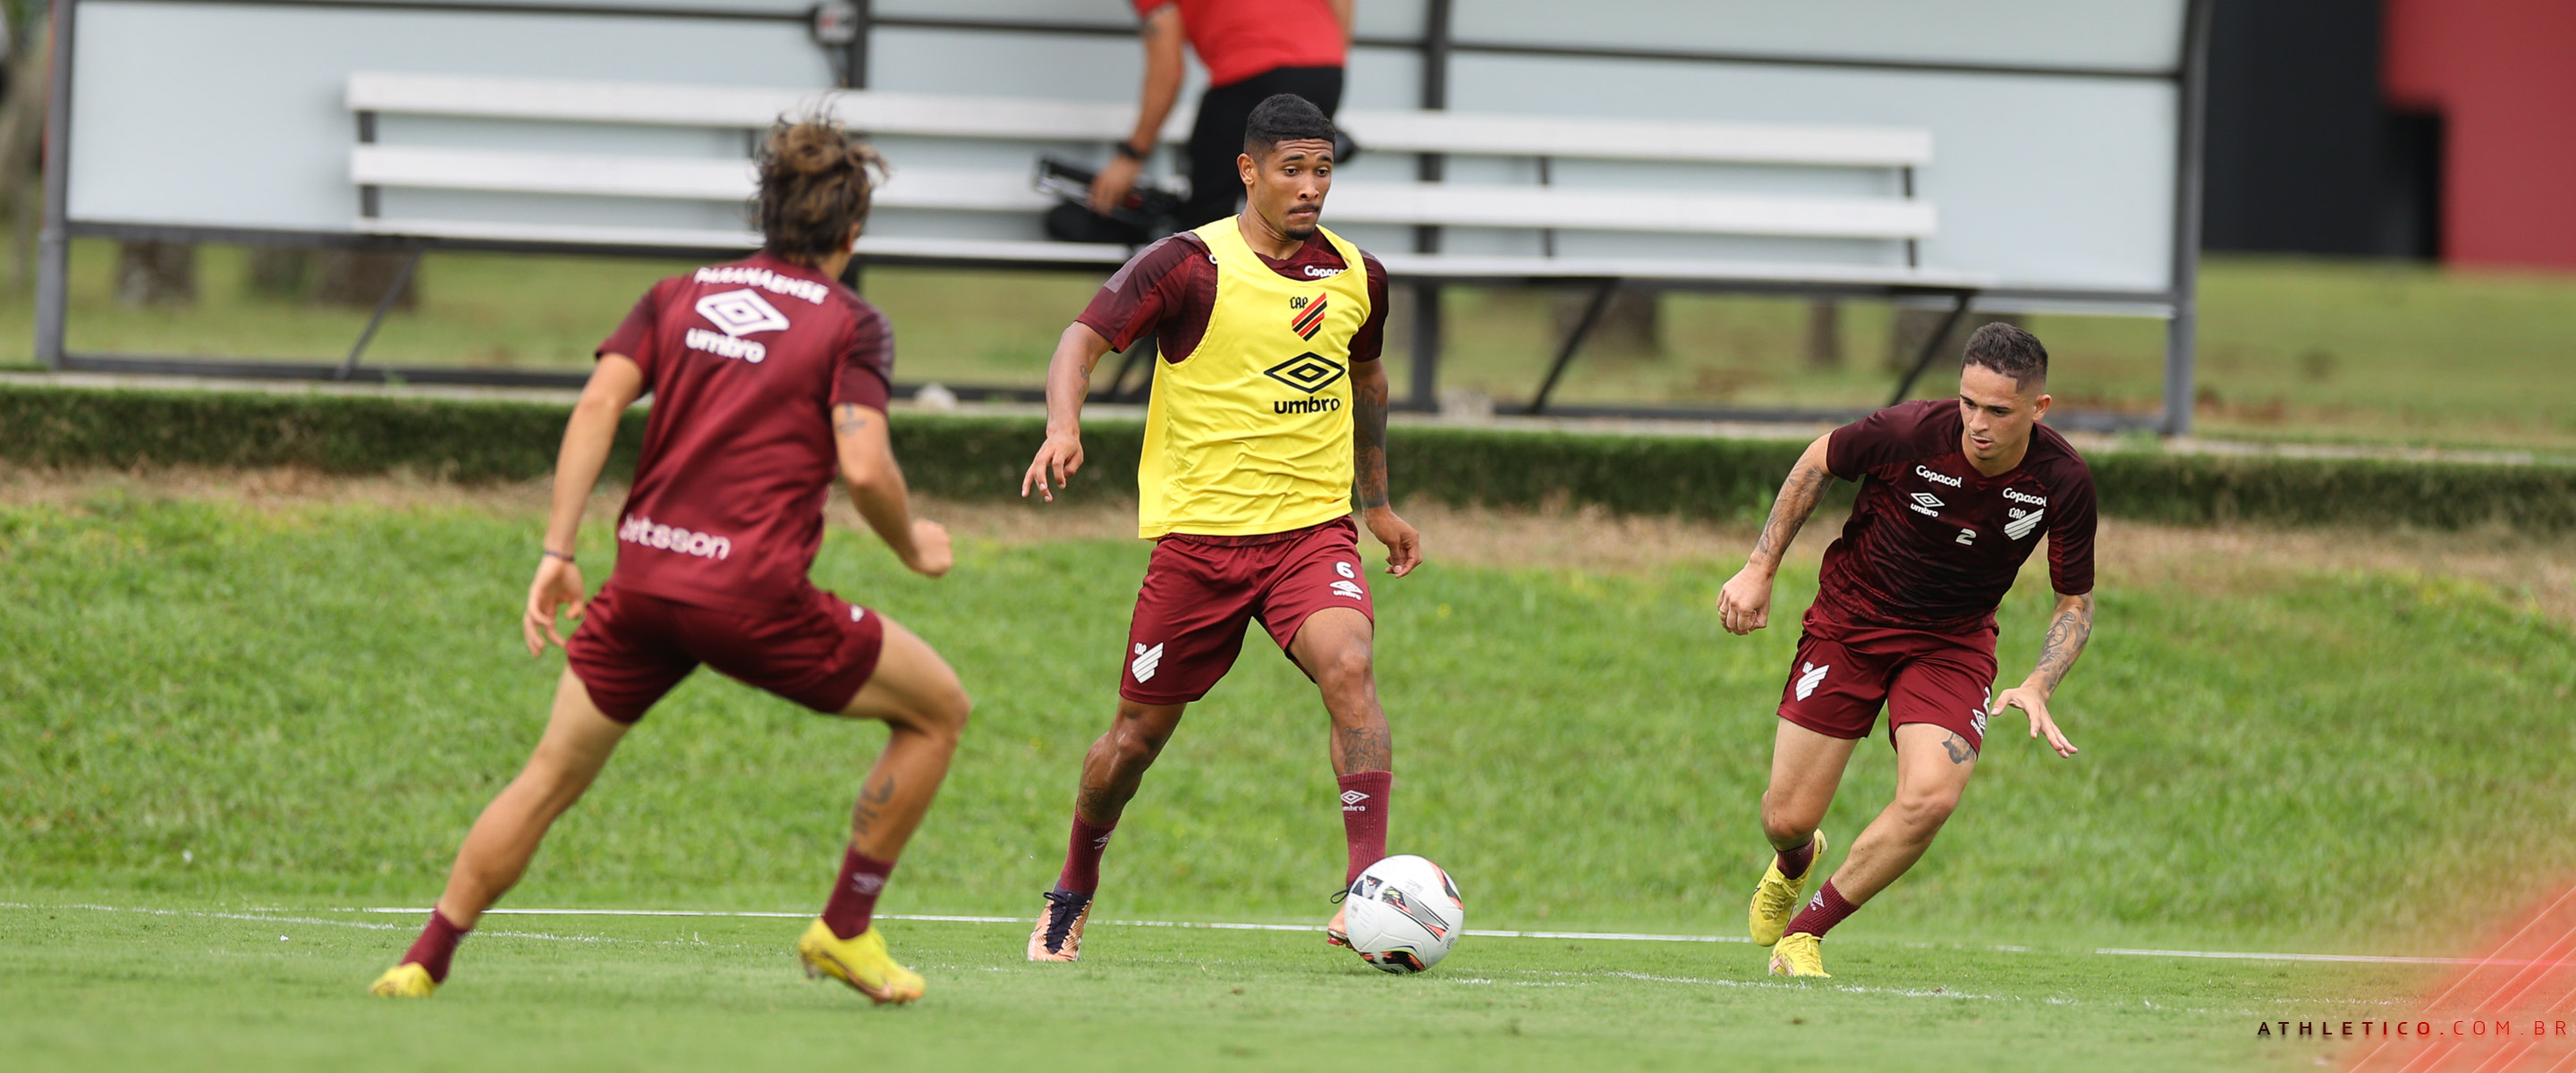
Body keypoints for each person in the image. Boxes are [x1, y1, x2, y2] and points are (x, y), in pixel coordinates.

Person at [367, 116, 969, 1005]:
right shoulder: (852, 323)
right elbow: (867, 464)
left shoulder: (675, 294)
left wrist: (556, 551)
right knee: (938, 712)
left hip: (642, 585)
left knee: (547, 777)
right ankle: (844, 928)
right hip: (752, 598)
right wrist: (915, 544)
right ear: (853, 231)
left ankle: (422, 961)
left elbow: (596, 408)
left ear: (767, 211)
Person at [1021, 93, 1420, 962]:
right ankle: (1072, 887)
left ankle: (1367, 890)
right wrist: (1063, 425)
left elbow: (1370, 380)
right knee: (1131, 743)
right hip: (1199, 547)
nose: (1311, 188)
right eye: (1293, 170)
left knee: (1350, 667)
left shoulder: (1358, 274)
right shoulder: (1185, 264)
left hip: (1311, 536)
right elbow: (1080, 341)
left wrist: (1377, 503)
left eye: (1323, 170)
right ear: (1249, 171)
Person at [1718, 324, 2097, 978]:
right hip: (1851, 623)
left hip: (1952, 642)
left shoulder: (2061, 480)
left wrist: (2039, 683)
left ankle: (1805, 936)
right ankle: (1793, 860)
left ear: (2039, 409)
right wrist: (1759, 567)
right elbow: (1818, 460)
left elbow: (2075, 603)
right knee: (1786, 816)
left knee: (1931, 796)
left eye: (1998, 411)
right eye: (1968, 403)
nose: (1976, 423)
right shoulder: (1908, 432)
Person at [1089, 0, 1353, 231]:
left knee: (1208, 221)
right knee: (1279, 209)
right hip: (1326, 68)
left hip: (1251, 75)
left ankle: (1209, 285)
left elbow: (1168, 71)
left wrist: (1132, 154)